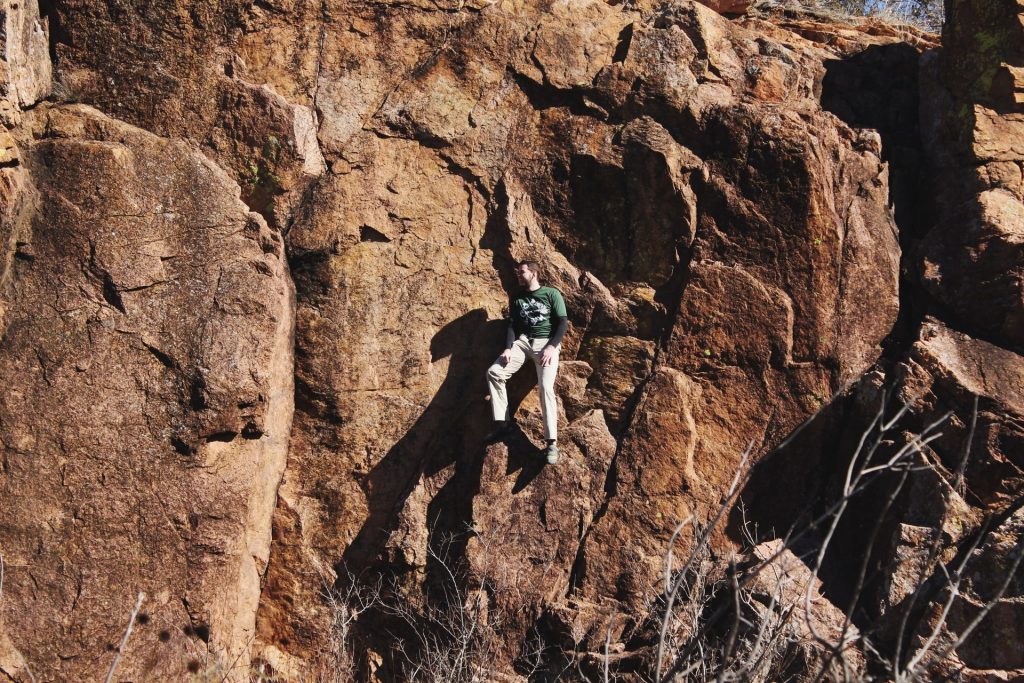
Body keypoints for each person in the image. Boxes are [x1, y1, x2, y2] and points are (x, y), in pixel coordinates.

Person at [484, 260, 568, 464]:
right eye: (518, 273)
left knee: (546, 389)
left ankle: (551, 443)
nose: (519, 276)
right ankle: (504, 424)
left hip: (545, 344)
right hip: (522, 343)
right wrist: (508, 347)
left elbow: (563, 322)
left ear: (534, 273)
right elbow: (512, 325)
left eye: (522, 272)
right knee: (494, 372)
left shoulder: (551, 294)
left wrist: (551, 346)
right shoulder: (517, 297)